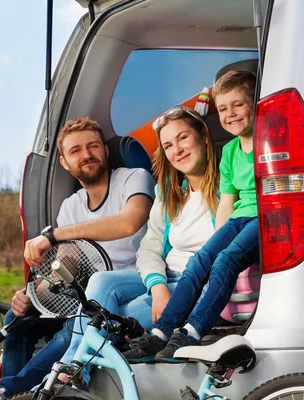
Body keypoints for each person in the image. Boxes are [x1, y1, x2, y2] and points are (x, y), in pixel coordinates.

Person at [0, 116, 154, 400]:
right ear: (64, 162)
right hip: (90, 295)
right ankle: (7, 393)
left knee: (78, 322)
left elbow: (128, 223)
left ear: (105, 151)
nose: (86, 155)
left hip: (132, 287)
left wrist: (53, 234)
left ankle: (10, 391)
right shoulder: (70, 206)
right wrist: (33, 293)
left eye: (93, 146)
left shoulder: (134, 179)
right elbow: (64, 266)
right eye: (75, 151)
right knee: (18, 316)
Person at [56, 104, 221, 383]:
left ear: (204, 137)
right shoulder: (169, 192)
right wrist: (157, 287)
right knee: (101, 283)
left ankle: (73, 373)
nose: (177, 150)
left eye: (183, 138)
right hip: (164, 277)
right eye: (168, 145)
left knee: (112, 317)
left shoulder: (225, 188)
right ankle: (74, 368)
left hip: (196, 283)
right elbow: (149, 247)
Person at [122, 70, 260, 363]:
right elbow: (228, 203)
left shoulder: (266, 143)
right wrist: (214, 244)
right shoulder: (231, 152)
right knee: (204, 259)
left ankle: (193, 331)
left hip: (261, 217)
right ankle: (160, 333)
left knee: (227, 259)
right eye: (223, 108)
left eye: (238, 105)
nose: (230, 113)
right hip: (239, 217)